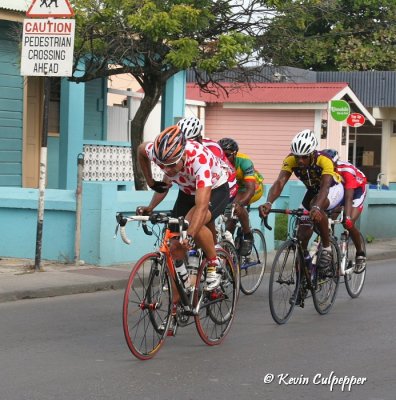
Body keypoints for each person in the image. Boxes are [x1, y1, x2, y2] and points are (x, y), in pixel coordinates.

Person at [137, 125, 230, 296]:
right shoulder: (158, 154)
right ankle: (180, 300)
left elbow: (201, 207)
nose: (168, 169)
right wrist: (150, 183)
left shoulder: (198, 160)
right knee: (174, 244)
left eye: (172, 165)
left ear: (184, 155)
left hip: (216, 189)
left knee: (190, 224)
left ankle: (213, 264)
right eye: (163, 165)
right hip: (187, 190)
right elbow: (141, 149)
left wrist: (191, 234)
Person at [258, 129, 344, 270]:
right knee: (301, 234)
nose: (300, 161)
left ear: (312, 153)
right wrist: (269, 202)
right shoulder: (290, 160)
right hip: (312, 190)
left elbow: (324, 187)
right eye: (297, 157)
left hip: (332, 189)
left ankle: (327, 248)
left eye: (304, 157)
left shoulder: (324, 160)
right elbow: (280, 182)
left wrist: (316, 208)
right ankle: (305, 266)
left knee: (316, 205)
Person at [323, 149, 367, 272]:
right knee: (327, 218)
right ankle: (330, 245)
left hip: (356, 190)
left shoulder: (346, 171)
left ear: (336, 164)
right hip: (341, 190)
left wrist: (347, 217)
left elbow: (349, 196)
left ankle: (360, 253)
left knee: (348, 223)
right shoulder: (324, 169)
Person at [218, 138, 264, 255]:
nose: (223, 158)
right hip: (235, 187)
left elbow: (250, 189)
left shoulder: (244, 161)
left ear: (235, 154)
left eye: (227, 155)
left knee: (236, 205)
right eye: (220, 155)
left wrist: (240, 204)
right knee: (228, 215)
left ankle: (248, 234)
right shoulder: (217, 162)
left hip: (253, 187)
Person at [177, 116, 238, 200]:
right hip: (200, 185)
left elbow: (207, 178)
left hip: (225, 182)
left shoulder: (212, 148)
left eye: (191, 142)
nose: (188, 146)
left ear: (200, 139)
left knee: (202, 210)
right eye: (183, 143)